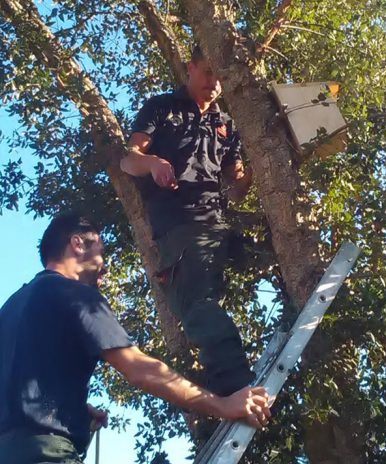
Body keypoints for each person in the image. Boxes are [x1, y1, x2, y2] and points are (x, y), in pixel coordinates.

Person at [0, 213, 270, 464]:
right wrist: (223, 405)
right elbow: (139, 369)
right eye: (101, 250)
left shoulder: (9, 309)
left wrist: (74, 408)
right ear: (78, 244)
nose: (105, 264)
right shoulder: (76, 295)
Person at [120, 46, 254, 397]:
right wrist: (152, 163)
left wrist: (262, 170)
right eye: (208, 72)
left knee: (271, 264)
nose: (214, 82)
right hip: (180, 224)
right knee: (195, 303)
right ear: (191, 68)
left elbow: (237, 187)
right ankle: (235, 387)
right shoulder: (162, 108)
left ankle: (246, 378)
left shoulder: (225, 125)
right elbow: (128, 161)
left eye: (220, 77)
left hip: (218, 225)